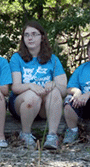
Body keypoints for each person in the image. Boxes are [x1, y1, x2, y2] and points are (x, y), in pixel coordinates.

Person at [9, 20, 67, 149]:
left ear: (42, 37)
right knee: (32, 96)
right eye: (26, 35)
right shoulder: (16, 58)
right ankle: (25, 134)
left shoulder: (53, 59)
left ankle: (52, 136)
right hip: (21, 103)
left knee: (55, 92)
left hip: (44, 107)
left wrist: (54, 84)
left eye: (34, 34)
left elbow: (64, 90)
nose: (30, 38)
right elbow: (16, 87)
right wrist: (30, 86)